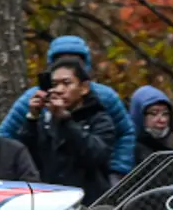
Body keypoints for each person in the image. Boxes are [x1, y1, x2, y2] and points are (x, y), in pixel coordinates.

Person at [0, 35, 136, 179]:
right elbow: (7, 136)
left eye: (76, 59)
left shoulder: (105, 97)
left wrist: (118, 171)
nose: (60, 89)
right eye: (61, 59)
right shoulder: (33, 98)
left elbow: (125, 133)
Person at [11, 60, 113, 200]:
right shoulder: (46, 119)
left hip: (88, 201)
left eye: (66, 83)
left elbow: (96, 155)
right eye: (54, 85)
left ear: (84, 88)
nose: (58, 90)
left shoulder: (99, 118)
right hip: (51, 200)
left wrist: (66, 121)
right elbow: (27, 155)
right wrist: (32, 117)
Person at [128, 85, 173, 165]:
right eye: (154, 113)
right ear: (139, 116)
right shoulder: (127, 155)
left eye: (165, 114)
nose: (162, 120)